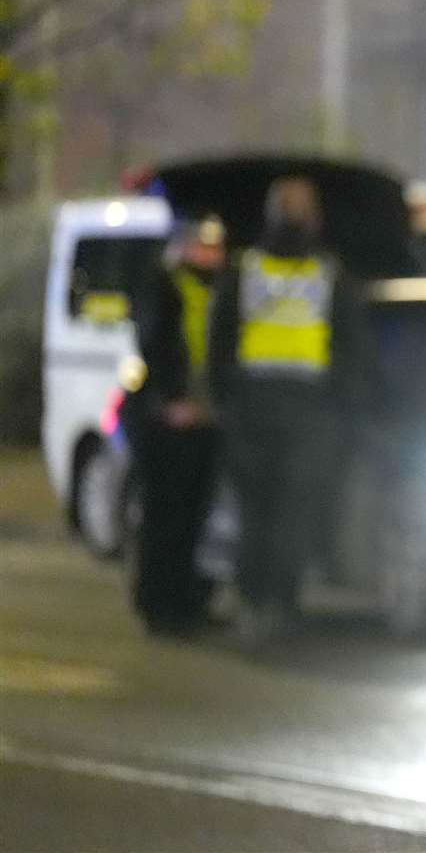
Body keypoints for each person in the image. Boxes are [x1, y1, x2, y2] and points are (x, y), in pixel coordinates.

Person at [207, 175, 366, 647]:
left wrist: (226, 401)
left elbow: (220, 345)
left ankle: (261, 605)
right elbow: (354, 349)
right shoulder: (327, 273)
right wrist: (344, 408)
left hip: (263, 410)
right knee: (283, 517)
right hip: (300, 412)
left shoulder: (247, 269)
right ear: (313, 219)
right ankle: (274, 605)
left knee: (262, 517)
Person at [125, 214, 226, 636]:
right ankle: (157, 605)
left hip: (208, 419)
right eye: (201, 245)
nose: (209, 254)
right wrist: (171, 401)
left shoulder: (222, 290)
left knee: (196, 518)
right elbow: (153, 344)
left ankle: (188, 602)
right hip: (168, 421)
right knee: (165, 517)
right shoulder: (163, 285)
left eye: (215, 247)